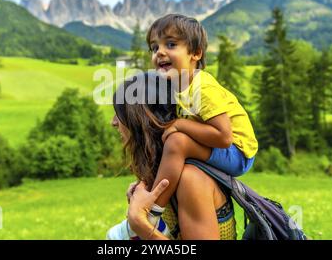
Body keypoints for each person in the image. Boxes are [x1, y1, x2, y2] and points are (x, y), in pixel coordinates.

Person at [108, 14, 258, 239]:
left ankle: (152, 212)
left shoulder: (202, 88)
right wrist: (146, 185)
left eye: (170, 44)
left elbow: (224, 136)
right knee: (176, 140)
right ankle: (152, 206)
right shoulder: (176, 86)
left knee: (177, 140)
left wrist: (142, 225)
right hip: (216, 145)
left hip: (238, 151)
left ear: (196, 53)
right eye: (153, 47)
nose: (159, 52)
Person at [107, 72, 236, 240]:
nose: (113, 122)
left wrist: (140, 225)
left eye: (121, 114)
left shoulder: (191, 179)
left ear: (142, 124)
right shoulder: (166, 175)